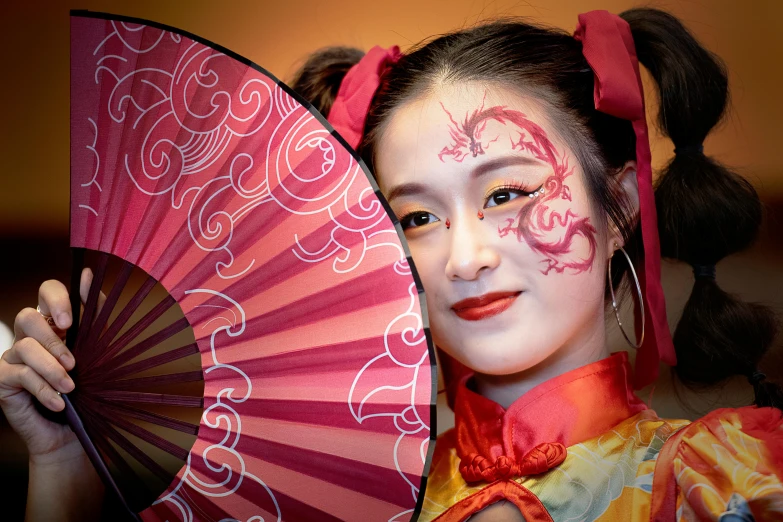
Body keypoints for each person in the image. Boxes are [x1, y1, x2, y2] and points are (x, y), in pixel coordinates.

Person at [2, 7, 781, 522]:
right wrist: (65, 463)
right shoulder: (326, 499)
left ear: (618, 207)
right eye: (414, 217)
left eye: (506, 193)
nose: (466, 257)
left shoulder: (718, 482)